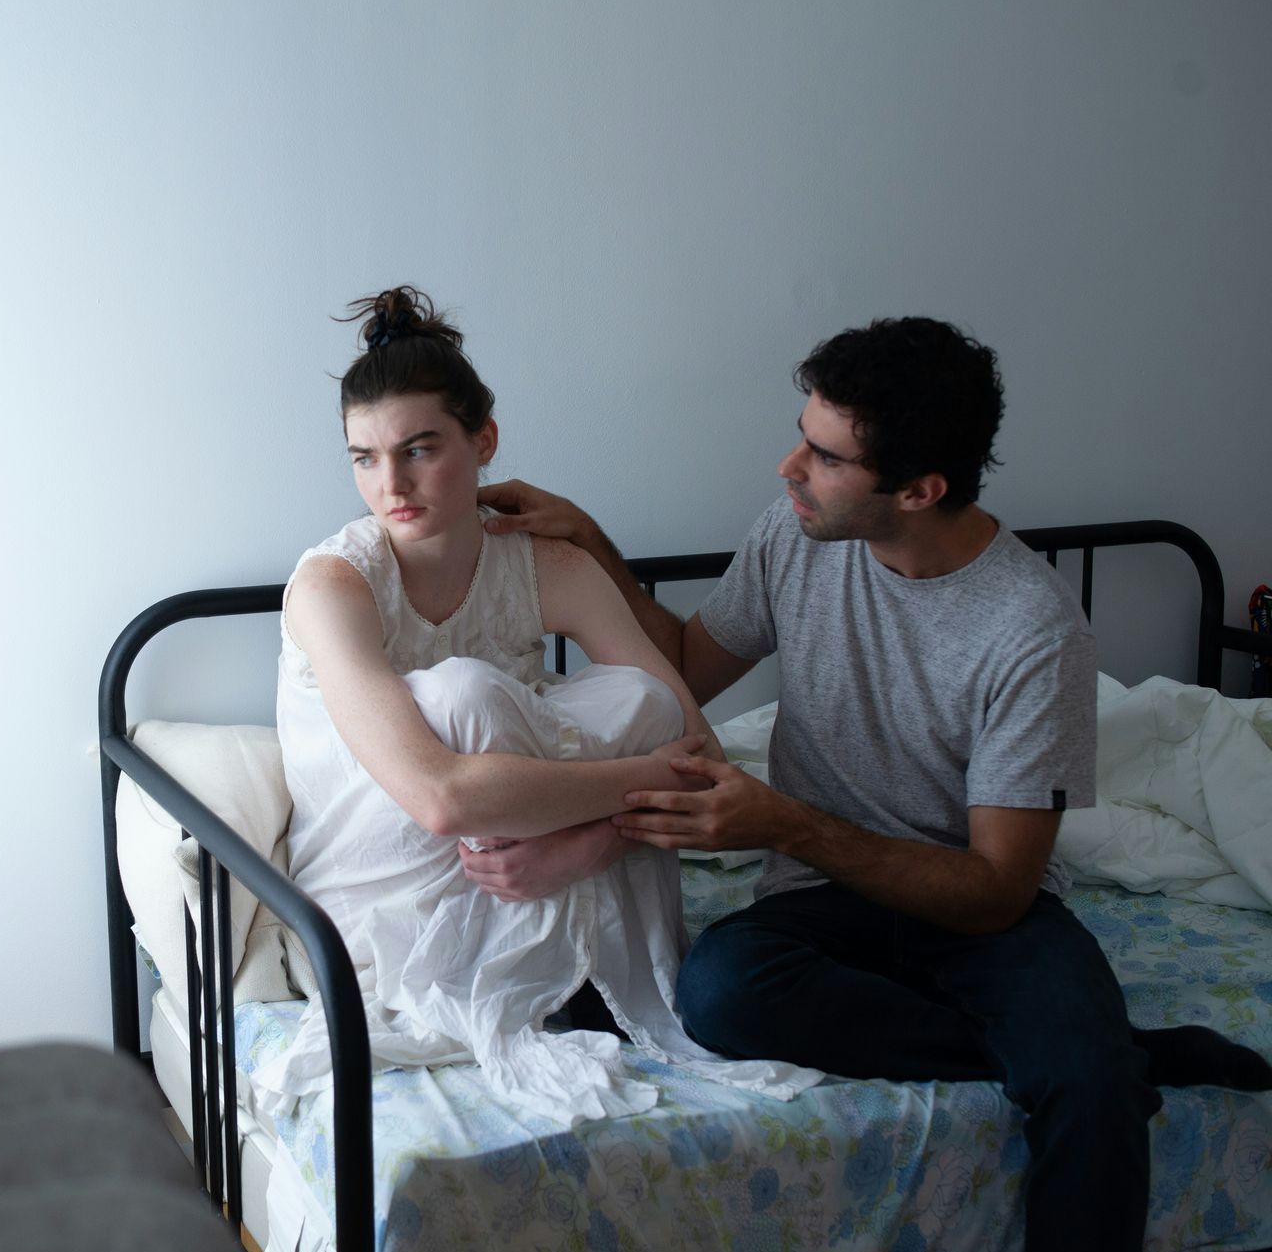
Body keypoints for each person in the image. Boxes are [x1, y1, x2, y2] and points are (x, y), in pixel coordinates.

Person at [466, 315, 1272, 1249]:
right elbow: (683, 660)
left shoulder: (1033, 629)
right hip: (820, 901)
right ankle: (1114, 1054)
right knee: (722, 992)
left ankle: (1085, 1062)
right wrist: (591, 540)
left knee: (1090, 1101)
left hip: (974, 909)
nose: (788, 467)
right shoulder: (798, 532)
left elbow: (995, 889)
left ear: (920, 489)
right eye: (802, 435)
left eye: (824, 455)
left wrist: (782, 823)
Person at [250, 287, 817, 1124]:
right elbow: (440, 798)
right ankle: (518, 970)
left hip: (527, 856)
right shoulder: (334, 585)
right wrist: (634, 789)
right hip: (380, 890)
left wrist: (587, 844)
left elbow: (697, 750)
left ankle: (561, 960)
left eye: (419, 448)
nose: (391, 483)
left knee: (642, 695)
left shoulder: (544, 564)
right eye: (364, 457)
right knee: (465, 690)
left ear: (484, 441)